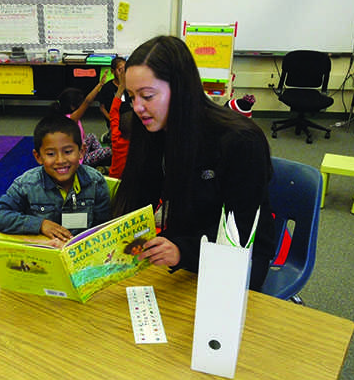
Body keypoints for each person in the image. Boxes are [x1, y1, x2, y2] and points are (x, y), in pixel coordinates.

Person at [112, 35, 276, 291]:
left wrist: (182, 251)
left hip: (239, 253)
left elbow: (241, 230)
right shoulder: (153, 128)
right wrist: (103, 240)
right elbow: (137, 195)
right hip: (182, 244)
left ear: (180, 89)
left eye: (147, 96)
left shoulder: (241, 140)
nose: (137, 107)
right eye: (131, 97)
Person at [0, 115, 111, 243]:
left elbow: (103, 228)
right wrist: (40, 225)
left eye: (68, 151)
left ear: (81, 151)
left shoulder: (96, 182)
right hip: (43, 253)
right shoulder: (27, 184)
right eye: (50, 154)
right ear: (38, 156)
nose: (60, 160)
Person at [49, 73, 112, 169]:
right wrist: (100, 85)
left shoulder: (66, 116)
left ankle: (98, 160)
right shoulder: (71, 119)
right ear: (72, 106)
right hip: (79, 159)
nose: (82, 104)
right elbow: (87, 101)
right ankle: (95, 163)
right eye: (80, 102)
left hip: (80, 148)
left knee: (91, 136)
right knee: (109, 150)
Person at [96, 57, 132, 130]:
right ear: (112, 71)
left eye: (125, 70)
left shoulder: (129, 85)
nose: (123, 73)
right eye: (120, 70)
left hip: (127, 119)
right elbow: (102, 108)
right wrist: (111, 120)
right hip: (114, 120)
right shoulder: (107, 87)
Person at [108, 69, 132, 179]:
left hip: (114, 180)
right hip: (131, 183)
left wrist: (121, 86)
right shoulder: (140, 143)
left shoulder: (116, 139)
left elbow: (113, 112)